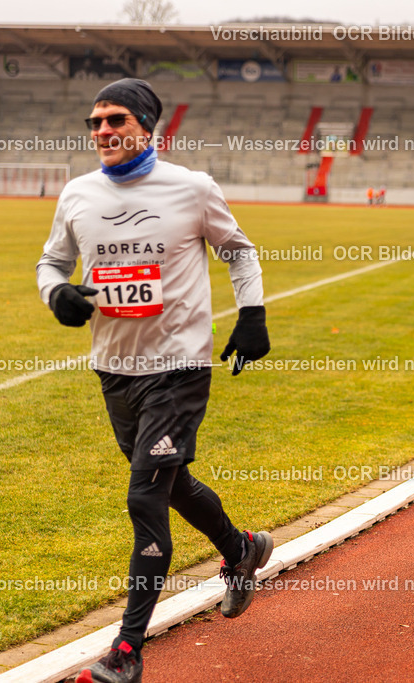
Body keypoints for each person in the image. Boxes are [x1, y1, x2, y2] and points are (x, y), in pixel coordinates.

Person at [36, 79, 273, 683]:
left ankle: (127, 651)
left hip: (179, 369)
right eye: (95, 122)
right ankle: (242, 549)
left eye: (115, 119)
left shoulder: (192, 188)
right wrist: (57, 293)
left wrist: (252, 315)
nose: (103, 132)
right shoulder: (77, 194)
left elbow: (240, 252)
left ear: (146, 126)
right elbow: (52, 261)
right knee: (168, 484)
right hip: (114, 368)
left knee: (144, 496)